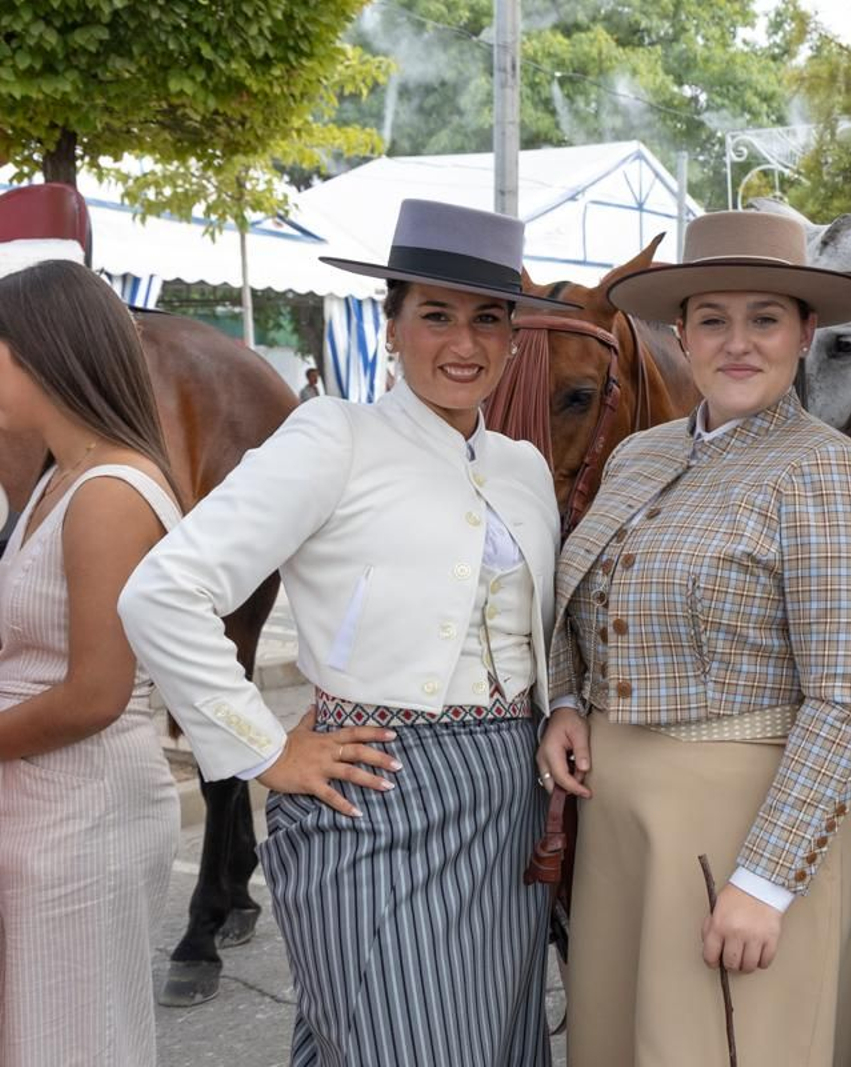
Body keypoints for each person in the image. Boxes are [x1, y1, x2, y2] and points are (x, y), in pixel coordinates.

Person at [119, 200, 577, 1065]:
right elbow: (162, 591)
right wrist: (264, 748)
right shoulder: (334, 437)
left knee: (491, 1041)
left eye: (488, 318)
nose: (464, 343)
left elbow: (544, 630)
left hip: (508, 803)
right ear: (391, 325)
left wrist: (561, 708)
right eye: (436, 315)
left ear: (514, 338)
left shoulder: (522, 467)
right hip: (369, 792)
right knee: (391, 1039)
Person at [536, 210, 851, 1066]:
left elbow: (849, 700)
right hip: (621, 823)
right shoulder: (638, 455)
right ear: (682, 334)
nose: (737, 343)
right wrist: (566, 698)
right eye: (713, 319)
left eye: (764, 319)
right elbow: (582, 590)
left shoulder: (833, 474)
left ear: (805, 334)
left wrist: (765, 878)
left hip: (745, 820)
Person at [0, 258, 184, 1065]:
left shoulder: (108, 492)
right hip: (44, 798)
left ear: (44, 353)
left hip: (82, 807)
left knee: (74, 1042)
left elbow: (95, 693)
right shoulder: (58, 480)